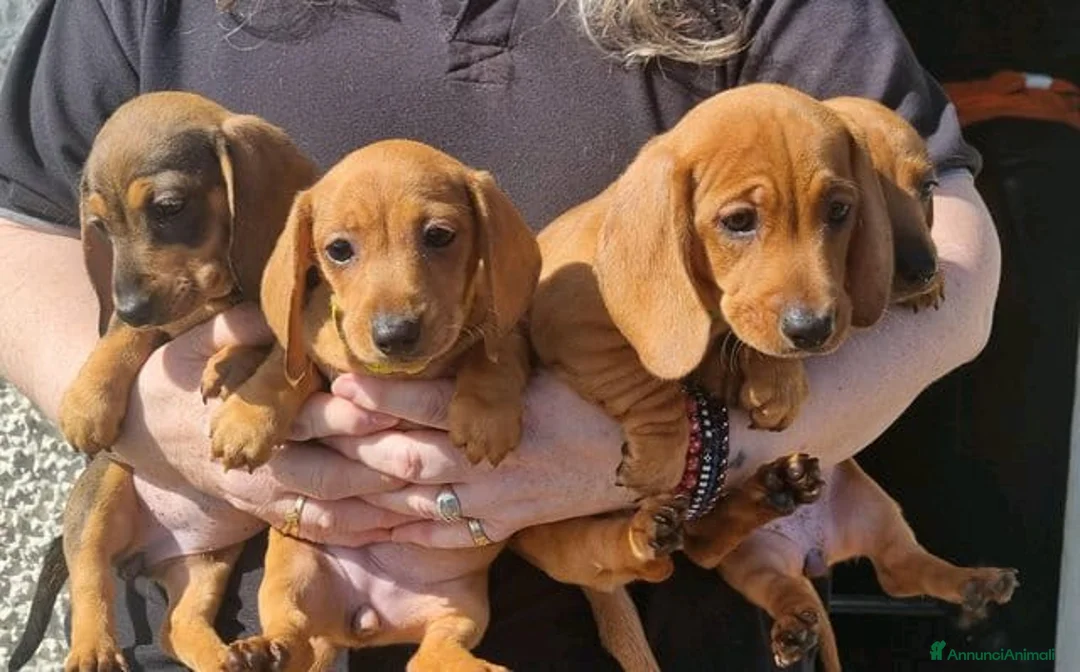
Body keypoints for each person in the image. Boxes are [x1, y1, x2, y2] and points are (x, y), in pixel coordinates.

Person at [0, 0, 999, 669]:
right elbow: (24, 220)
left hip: (657, 607)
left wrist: (690, 451)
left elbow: (947, 240)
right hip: (245, 622)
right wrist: (152, 414)